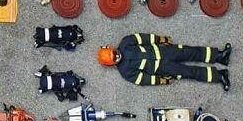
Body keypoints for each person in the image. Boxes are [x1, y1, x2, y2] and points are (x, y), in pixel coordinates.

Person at [98, 33, 231, 91]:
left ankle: (219, 56)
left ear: (112, 48)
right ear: (111, 65)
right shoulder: (125, 72)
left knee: (190, 52)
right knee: (188, 72)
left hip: (164, 51)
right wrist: (159, 81)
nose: (117, 57)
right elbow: (143, 79)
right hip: (162, 68)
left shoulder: (126, 42)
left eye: (114, 54)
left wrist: (159, 39)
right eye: (114, 59)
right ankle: (220, 76)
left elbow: (144, 38)